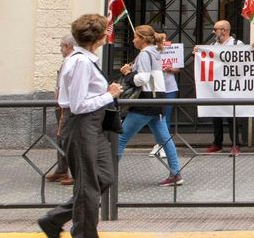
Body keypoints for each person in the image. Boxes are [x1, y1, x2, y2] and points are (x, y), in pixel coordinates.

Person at [38, 14, 123, 238]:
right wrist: (109, 95)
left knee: (104, 177)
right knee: (87, 185)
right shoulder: (80, 63)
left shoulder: (85, 60)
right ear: (98, 37)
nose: (107, 34)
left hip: (92, 126)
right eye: (105, 31)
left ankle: (54, 219)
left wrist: (105, 94)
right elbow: (77, 105)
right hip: (81, 125)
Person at [117, 25, 184, 187]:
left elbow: (143, 79)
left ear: (142, 39)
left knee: (121, 138)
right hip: (158, 99)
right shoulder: (155, 53)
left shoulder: (145, 54)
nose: (133, 40)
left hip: (146, 101)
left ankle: (107, 176)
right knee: (165, 139)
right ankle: (175, 173)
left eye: (135, 37)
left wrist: (127, 74)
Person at [202, 20, 246, 156]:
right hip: (216, 87)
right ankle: (217, 143)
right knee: (216, 115)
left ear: (224, 31)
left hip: (232, 86)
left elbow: (245, 60)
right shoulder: (213, 46)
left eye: (215, 29)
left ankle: (235, 145)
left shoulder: (237, 44)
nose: (213, 32)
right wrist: (198, 53)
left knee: (232, 116)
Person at [46, 35, 77, 186]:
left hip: (67, 105)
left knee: (68, 137)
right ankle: (62, 169)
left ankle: (75, 172)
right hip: (61, 104)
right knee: (61, 137)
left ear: (68, 46)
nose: (60, 49)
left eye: (61, 46)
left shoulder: (74, 60)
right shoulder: (67, 60)